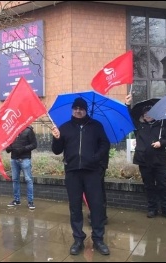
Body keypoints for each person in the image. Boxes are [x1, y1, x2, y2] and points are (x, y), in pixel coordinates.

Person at [51, 97, 111, 256]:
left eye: (81, 108)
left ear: (86, 110)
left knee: (96, 206)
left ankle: (98, 239)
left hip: (92, 172)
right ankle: (78, 239)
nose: (78, 110)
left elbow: (105, 144)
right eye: (76, 108)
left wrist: (95, 158)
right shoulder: (64, 128)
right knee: (75, 207)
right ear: (72, 109)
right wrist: (56, 138)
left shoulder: (96, 126)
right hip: (72, 173)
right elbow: (56, 150)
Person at [125, 94, 166, 220]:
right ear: (142, 116)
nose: (147, 115)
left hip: (159, 162)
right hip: (144, 162)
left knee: (162, 186)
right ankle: (152, 209)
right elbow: (130, 117)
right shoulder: (139, 127)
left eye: (149, 113)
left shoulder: (162, 126)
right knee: (149, 186)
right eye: (145, 114)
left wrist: (161, 143)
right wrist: (128, 105)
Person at [5, 126, 37, 210]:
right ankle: (16, 200)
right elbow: (8, 143)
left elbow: (34, 144)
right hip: (14, 159)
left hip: (25, 158)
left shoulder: (28, 130)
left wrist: (23, 149)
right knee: (15, 179)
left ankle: (30, 201)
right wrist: (8, 148)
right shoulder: (11, 129)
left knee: (28, 179)